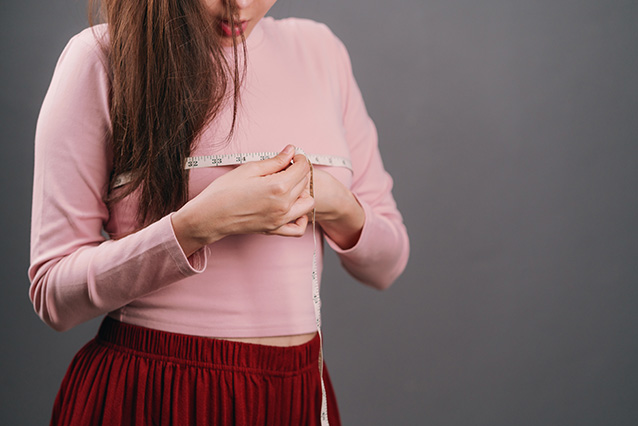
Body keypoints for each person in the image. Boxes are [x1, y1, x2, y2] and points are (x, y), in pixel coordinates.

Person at [29, 0, 409, 424]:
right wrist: (196, 226)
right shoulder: (101, 59)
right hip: (160, 392)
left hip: (296, 396)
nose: (240, 4)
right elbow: (53, 295)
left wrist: (336, 203)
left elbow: (388, 264)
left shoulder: (321, 51)